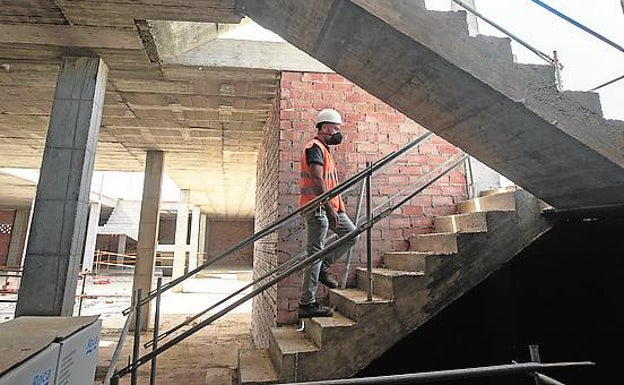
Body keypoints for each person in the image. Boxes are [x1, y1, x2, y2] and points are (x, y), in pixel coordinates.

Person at [298, 108, 358, 318]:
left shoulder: (325, 150)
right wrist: (330, 209)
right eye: (335, 128)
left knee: (351, 233)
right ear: (323, 127)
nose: (337, 132)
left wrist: (336, 208)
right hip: (318, 208)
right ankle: (307, 303)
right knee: (314, 254)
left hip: (330, 207)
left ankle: (325, 266)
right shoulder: (314, 148)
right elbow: (316, 179)